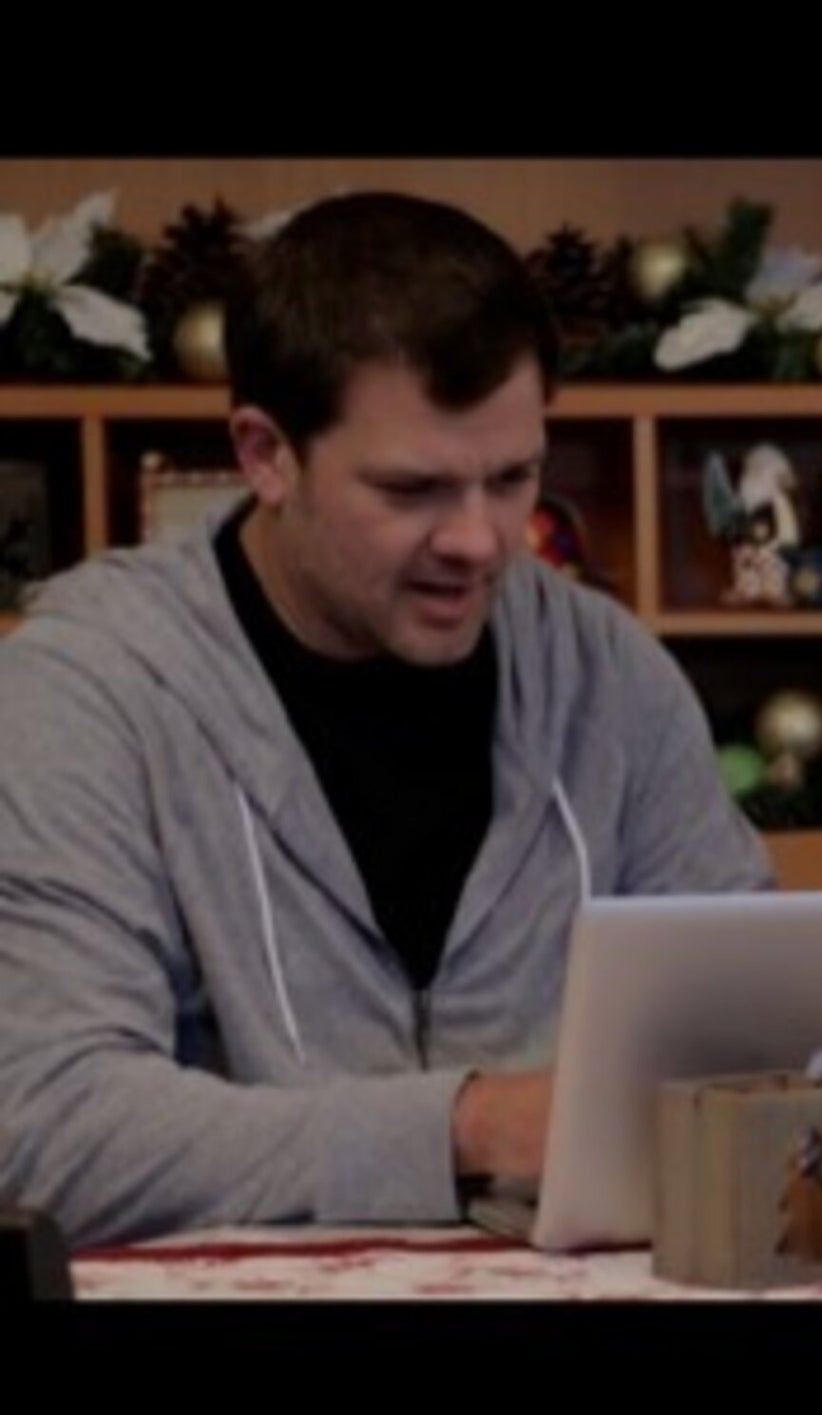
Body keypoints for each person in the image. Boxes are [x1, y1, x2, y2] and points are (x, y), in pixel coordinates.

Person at [0, 192, 774, 1249]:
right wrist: (467, 1128)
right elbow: (45, 1126)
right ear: (265, 453)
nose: (482, 541)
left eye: (513, 477)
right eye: (414, 489)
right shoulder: (88, 689)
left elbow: (761, 1052)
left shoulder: (607, 673)